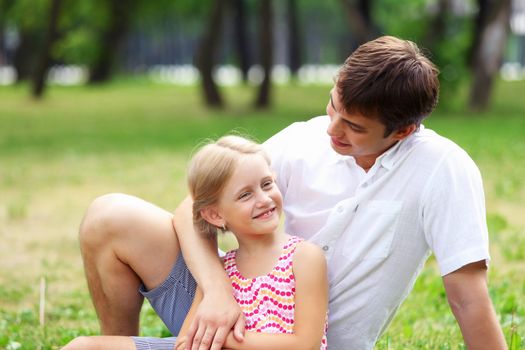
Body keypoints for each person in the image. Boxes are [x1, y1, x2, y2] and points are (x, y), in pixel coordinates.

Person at [66, 35, 507, 350]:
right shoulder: (305, 138)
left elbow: (467, 295)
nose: (331, 130)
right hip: (228, 304)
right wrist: (218, 293)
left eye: (354, 127)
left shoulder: (443, 170)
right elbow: (194, 210)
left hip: (299, 336)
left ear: (404, 131)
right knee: (110, 216)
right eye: (333, 105)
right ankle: (121, 340)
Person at [62, 136, 329, 350]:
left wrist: (223, 337)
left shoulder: (303, 257)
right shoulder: (222, 269)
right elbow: (185, 342)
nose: (264, 199)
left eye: (267, 184)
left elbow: (305, 344)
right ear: (215, 215)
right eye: (245, 194)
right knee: (81, 346)